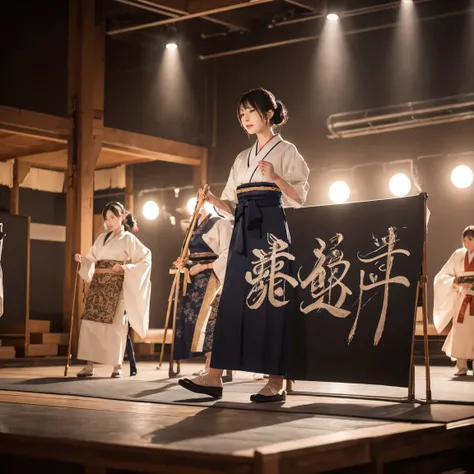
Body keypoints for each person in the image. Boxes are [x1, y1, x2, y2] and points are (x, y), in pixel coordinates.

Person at [179, 87, 310, 402]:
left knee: (271, 302)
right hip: (243, 233)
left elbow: (301, 197)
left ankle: (275, 381)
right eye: (241, 114)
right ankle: (214, 375)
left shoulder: (287, 151)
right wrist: (211, 200)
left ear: (267, 113)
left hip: (273, 233)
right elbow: (230, 204)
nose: (245, 119)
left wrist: (277, 178)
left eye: (250, 111)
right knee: (231, 300)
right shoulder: (242, 158)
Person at [75, 202, 152, 378]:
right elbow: (91, 257)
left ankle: (117, 366)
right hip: (98, 285)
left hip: (116, 287)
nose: (109, 221)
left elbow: (145, 259)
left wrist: (125, 268)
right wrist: (83, 260)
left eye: (112, 217)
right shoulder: (101, 238)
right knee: (90, 324)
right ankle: (89, 365)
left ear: (121, 217)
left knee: (116, 325)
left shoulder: (128, 239)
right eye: (106, 218)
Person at [173, 205, 232, 372]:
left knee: (210, 320)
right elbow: (189, 254)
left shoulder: (221, 223)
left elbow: (229, 253)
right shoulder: (192, 226)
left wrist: (205, 266)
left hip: (212, 276)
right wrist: (184, 263)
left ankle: (212, 364)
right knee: (194, 321)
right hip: (194, 278)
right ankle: (207, 363)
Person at [434, 225, 474, 376]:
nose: (467, 244)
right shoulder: (458, 255)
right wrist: (456, 281)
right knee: (461, 332)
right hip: (463, 297)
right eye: (464, 240)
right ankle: (461, 365)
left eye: (470, 240)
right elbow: (442, 276)